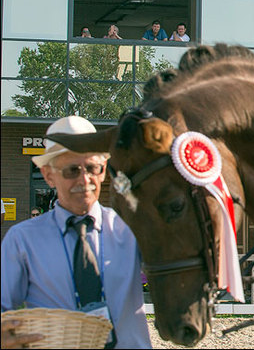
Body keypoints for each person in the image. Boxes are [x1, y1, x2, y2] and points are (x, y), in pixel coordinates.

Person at [1, 116, 151, 349]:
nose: (85, 179)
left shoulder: (134, 230)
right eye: (72, 170)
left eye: (92, 168)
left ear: (103, 172)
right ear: (48, 175)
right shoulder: (22, 241)